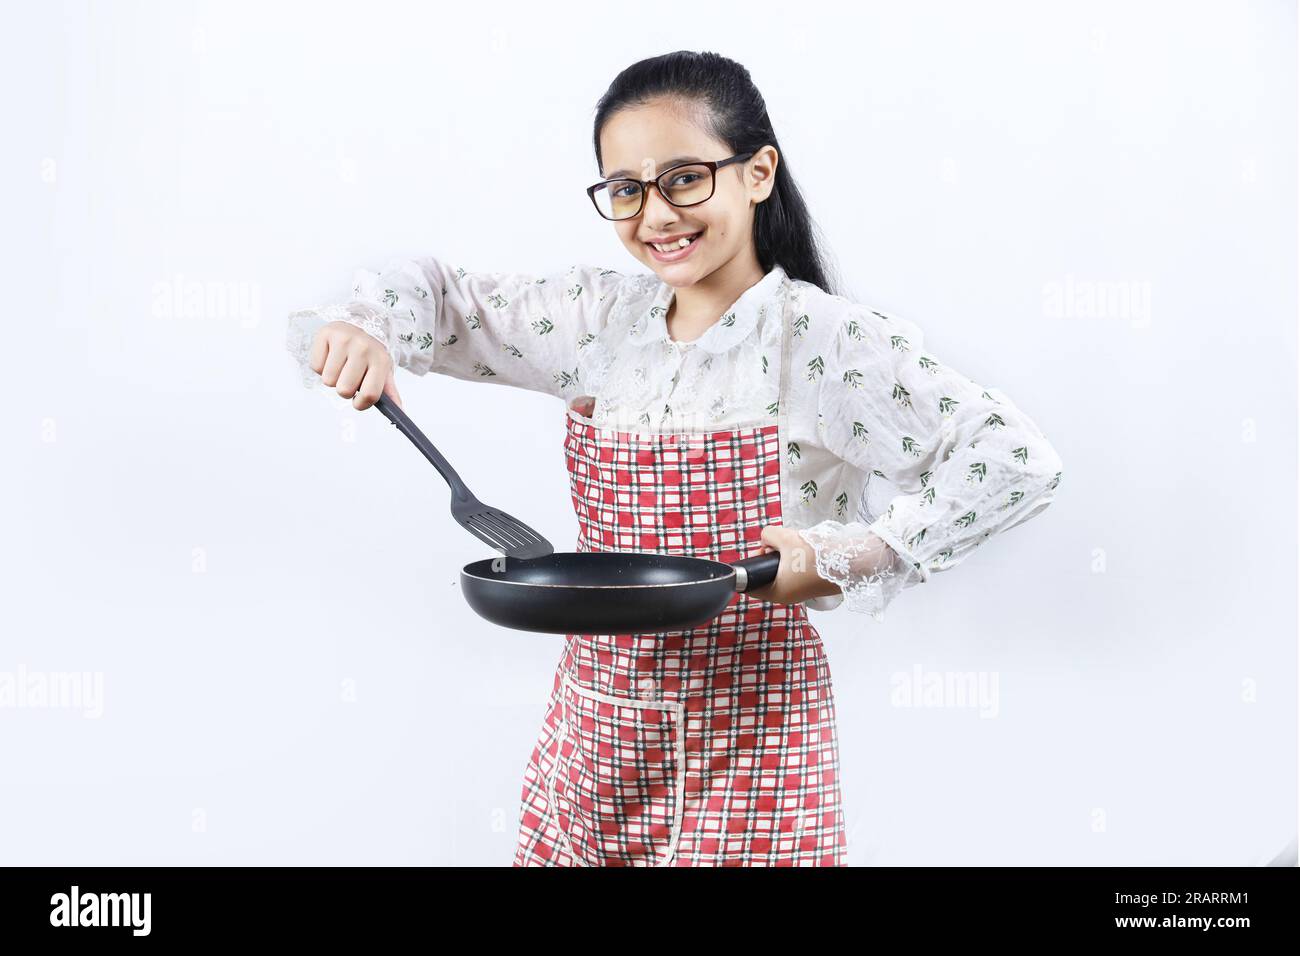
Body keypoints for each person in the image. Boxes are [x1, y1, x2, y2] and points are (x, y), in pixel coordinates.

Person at [286, 50, 1064, 867]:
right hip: (595, 738)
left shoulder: (827, 344)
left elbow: (1014, 458)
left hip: (755, 745)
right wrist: (367, 325)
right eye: (626, 189)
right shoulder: (595, 320)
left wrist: (854, 554)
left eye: (685, 178)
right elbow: (439, 295)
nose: (655, 214)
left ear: (758, 171)